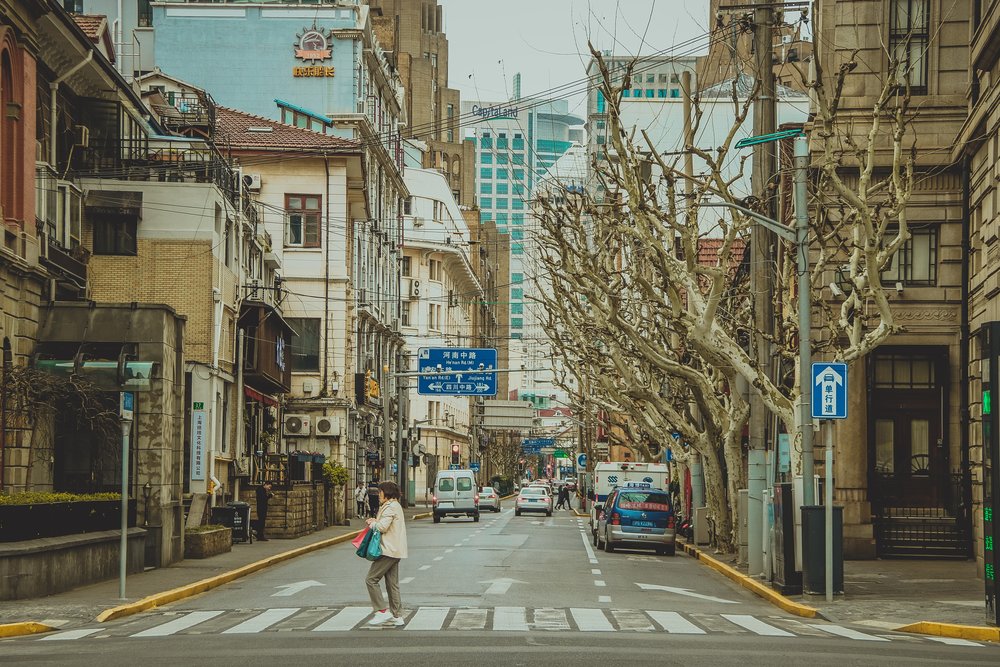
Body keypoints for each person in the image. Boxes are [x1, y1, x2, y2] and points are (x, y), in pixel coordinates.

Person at [365, 481, 408, 626]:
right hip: (395, 550)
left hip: (388, 550)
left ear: (387, 492)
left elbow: (383, 527)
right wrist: (375, 520)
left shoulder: (390, 507)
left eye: (380, 492)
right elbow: (384, 523)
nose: (378, 495)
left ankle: (381, 612)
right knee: (392, 584)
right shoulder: (395, 506)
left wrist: (372, 524)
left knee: (371, 579)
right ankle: (397, 616)